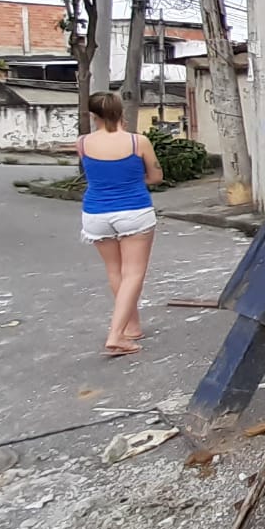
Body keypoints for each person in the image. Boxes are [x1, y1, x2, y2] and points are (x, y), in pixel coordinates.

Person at [78, 92, 164, 357]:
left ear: (93, 116)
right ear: (120, 112)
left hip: (95, 213)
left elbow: (94, 175)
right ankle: (116, 335)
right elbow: (156, 176)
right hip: (134, 211)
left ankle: (132, 326)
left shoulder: (82, 143)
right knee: (134, 273)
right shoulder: (138, 142)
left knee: (115, 271)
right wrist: (135, 182)